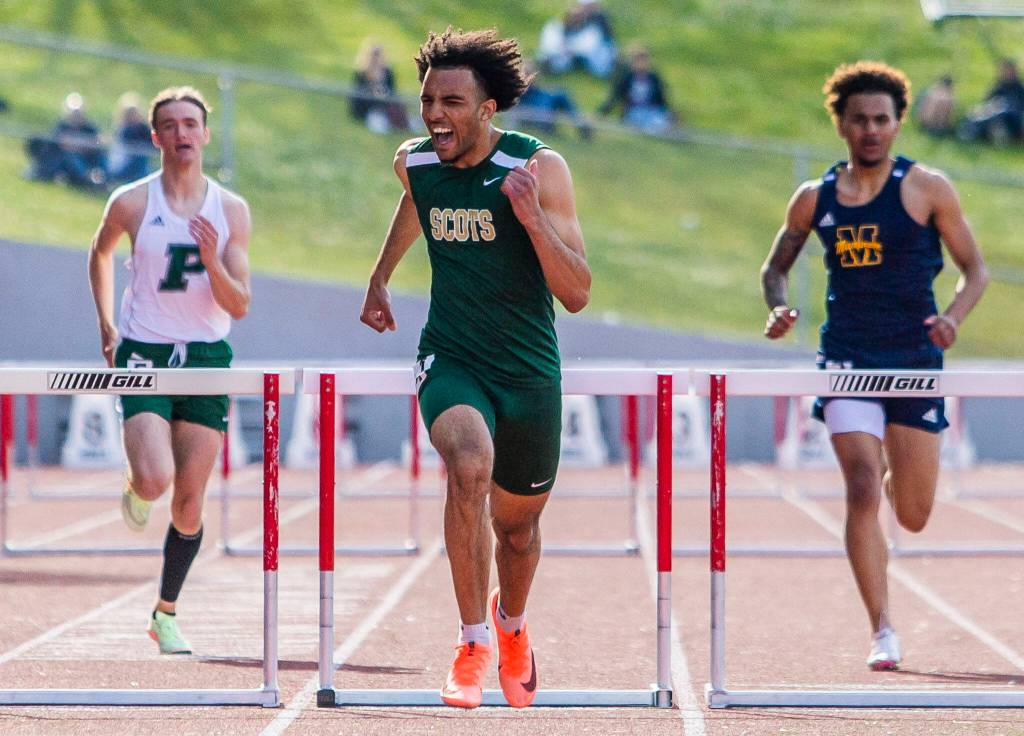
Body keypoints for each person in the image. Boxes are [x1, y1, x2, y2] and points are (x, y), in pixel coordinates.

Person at [359, 27, 590, 709]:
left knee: (517, 532)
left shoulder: (539, 168)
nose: (435, 115)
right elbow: (417, 200)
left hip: (528, 371)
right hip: (452, 356)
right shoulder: (415, 161)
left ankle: (510, 624)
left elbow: (577, 293)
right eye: (428, 101)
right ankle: (471, 644)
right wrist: (380, 276)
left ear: (488, 109)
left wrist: (531, 219)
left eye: (452, 103)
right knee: (467, 465)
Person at [760, 62, 988, 671]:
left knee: (912, 514)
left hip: (913, 358)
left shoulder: (928, 189)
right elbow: (775, 267)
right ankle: (882, 628)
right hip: (847, 357)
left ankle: (897, 474)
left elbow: (975, 270)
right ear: (840, 124)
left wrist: (953, 318)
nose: (870, 130)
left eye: (881, 120)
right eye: (859, 119)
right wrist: (779, 307)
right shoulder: (815, 197)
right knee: (860, 486)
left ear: (898, 124)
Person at [88, 86, 252, 655]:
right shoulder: (131, 202)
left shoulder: (231, 211)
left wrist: (211, 260)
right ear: (156, 136)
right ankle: (138, 481)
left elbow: (239, 304)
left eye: (191, 123)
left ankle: (165, 613)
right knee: (156, 480)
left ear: (205, 134)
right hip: (145, 351)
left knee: (188, 502)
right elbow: (100, 252)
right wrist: (107, 324)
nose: (182, 133)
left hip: (206, 357)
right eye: (171, 125)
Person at [26, 92, 106, 187]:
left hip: (87, 158)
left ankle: (103, 178)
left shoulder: (89, 128)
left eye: (78, 113)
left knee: (101, 158)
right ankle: (85, 178)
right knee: (72, 157)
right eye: (74, 113)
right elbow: (59, 143)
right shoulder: (61, 126)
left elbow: (98, 142)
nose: (76, 116)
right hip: (64, 160)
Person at [598, 44, 675, 135]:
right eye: (638, 60)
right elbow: (614, 98)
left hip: (652, 111)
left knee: (661, 121)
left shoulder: (654, 78)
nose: (641, 63)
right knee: (643, 123)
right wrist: (600, 114)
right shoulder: (627, 78)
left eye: (644, 60)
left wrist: (670, 113)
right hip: (634, 111)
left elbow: (662, 100)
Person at [507, 59, 592, 140]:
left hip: (539, 96)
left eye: (530, 74)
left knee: (561, 94)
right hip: (530, 105)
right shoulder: (514, 91)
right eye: (525, 74)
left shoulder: (538, 90)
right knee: (543, 110)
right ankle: (548, 127)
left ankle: (580, 122)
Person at [537, 0, 617, 78]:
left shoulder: (597, 26)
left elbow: (586, 47)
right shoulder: (554, 27)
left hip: (599, 63)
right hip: (558, 56)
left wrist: (568, 48)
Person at [349, 40, 411, 134]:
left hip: (386, 108)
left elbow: (392, 92)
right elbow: (358, 97)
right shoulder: (361, 74)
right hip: (369, 110)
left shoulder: (387, 72)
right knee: (379, 124)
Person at [960, 59, 1024, 144]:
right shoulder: (998, 87)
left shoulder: (1019, 89)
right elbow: (987, 103)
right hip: (994, 115)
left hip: (1012, 119)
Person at [107, 92, 155, 184]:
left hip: (138, 165)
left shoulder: (143, 128)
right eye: (130, 113)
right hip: (123, 165)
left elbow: (152, 142)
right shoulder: (123, 129)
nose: (133, 116)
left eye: (135, 113)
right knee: (140, 157)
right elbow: (130, 146)